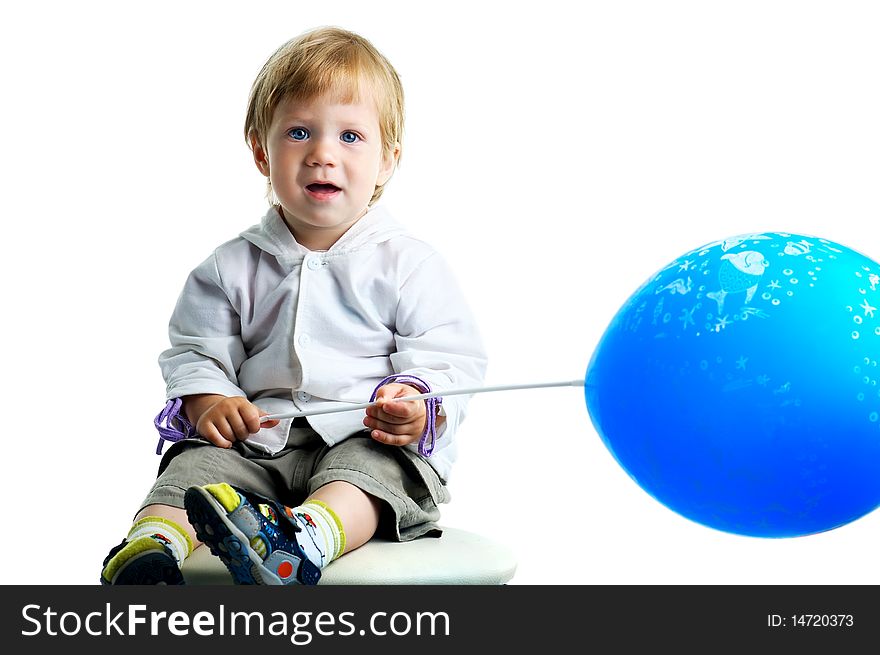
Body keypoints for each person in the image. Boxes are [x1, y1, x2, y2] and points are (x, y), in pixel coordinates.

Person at [100, 26, 486, 585]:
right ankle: (151, 548)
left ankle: (306, 537)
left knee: (370, 474)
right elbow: (193, 350)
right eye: (300, 132)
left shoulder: (408, 264)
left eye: (351, 137)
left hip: (362, 434)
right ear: (262, 151)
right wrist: (213, 400)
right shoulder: (229, 267)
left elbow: (451, 354)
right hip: (258, 443)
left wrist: (416, 401)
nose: (323, 155)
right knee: (195, 470)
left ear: (386, 161)